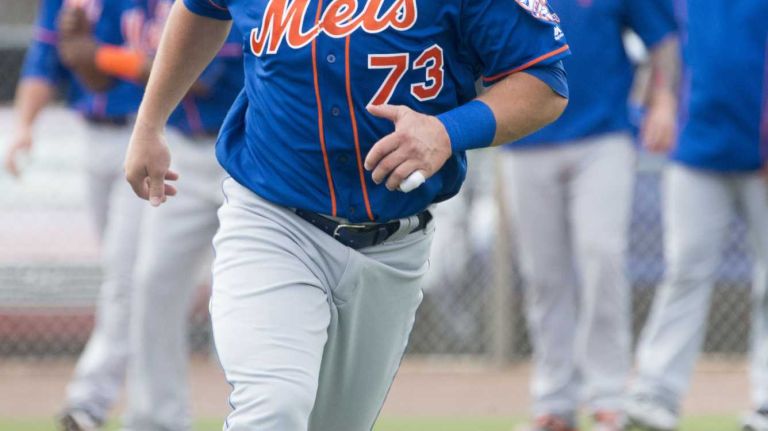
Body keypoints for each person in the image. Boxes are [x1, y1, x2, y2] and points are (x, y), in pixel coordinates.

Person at [124, 0, 571, 429]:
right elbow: (201, 8)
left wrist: (447, 132)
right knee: (273, 407)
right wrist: (149, 124)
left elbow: (543, 82)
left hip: (393, 246)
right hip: (273, 221)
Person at [5, 1, 243, 429]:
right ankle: (155, 420)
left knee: (250, 293)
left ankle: (275, 413)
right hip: (180, 150)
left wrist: (96, 54)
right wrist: (84, 54)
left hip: (245, 156)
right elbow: (85, 72)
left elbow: (200, 76)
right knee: (146, 286)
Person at [497, 1, 679, 430]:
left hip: (603, 135)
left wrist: (664, 99)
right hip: (523, 137)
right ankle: (554, 402)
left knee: (602, 257)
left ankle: (608, 396)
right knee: (543, 274)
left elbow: (662, 38)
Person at [624, 1, 768, 431]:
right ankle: (656, 394)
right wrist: (660, 102)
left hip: (762, 151)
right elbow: (661, 45)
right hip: (697, 148)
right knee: (685, 271)